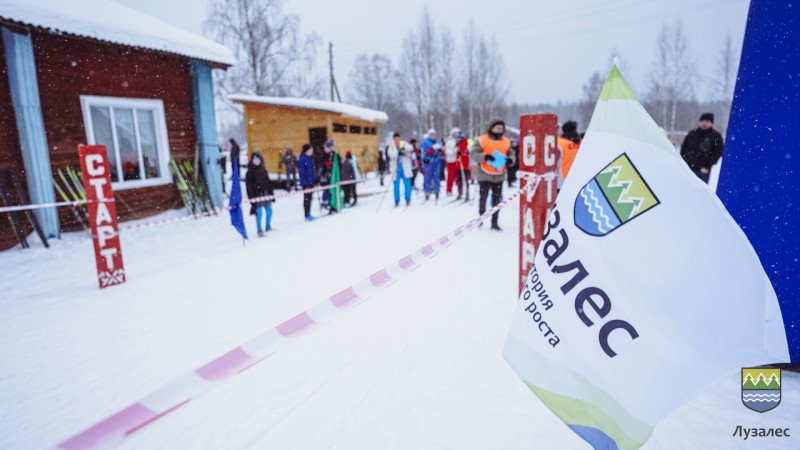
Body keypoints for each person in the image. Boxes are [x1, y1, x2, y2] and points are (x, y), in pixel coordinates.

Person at [470, 119, 515, 231]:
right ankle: (481, 218)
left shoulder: (506, 141)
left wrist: (511, 160)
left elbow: (512, 154)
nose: (500, 130)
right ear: (491, 128)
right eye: (497, 128)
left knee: (497, 200)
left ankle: (494, 222)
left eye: (501, 128)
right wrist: (485, 157)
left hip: (499, 175)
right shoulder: (482, 140)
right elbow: (473, 153)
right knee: (483, 198)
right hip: (484, 174)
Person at [680, 112, 725, 183]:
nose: (704, 123)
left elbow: (718, 153)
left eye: (707, 121)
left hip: (702, 171)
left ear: (711, 123)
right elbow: (683, 148)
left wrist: (707, 166)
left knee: (698, 191)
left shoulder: (716, 136)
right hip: (687, 168)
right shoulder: (692, 133)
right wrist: (683, 161)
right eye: (702, 121)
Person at [245, 152, 275, 237]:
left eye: (258, 159)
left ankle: (268, 226)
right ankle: (259, 229)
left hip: (265, 193)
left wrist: (271, 193)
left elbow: (268, 182)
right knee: (259, 213)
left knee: (269, 211)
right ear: (252, 160)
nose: (256, 161)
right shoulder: (250, 172)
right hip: (256, 195)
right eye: (254, 159)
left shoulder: (263, 169)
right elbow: (249, 186)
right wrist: (251, 198)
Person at [386, 132, 413, 207]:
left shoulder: (403, 143)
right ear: (393, 139)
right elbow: (390, 154)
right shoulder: (391, 146)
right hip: (396, 168)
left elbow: (411, 148)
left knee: (407, 184)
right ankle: (396, 200)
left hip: (405, 167)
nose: (397, 140)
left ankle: (408, 199)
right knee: (396, 185)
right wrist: (397, 153)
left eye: (398, 138)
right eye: (395, 139)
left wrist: (403, 149)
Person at [421, 129, 443, 202]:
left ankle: (437, 192)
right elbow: (425, 152)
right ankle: (427, 192)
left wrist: (440, 150)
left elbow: (441, 152)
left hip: (436, 162)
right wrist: (432, 149)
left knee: (436, 177)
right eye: (432, 135)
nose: (433, 136)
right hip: (429, 163)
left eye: (434, 135)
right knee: (428, 178)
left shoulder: (437, 142)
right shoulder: (425, 142)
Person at [298, 144, 316, 221]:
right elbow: (302, 173)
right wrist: (306, 184)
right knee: (307, 199)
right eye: (310, 150)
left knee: (310, 198)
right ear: (307, 150)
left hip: (311, 182)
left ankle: (309, 213)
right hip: (306, 184)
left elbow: (312, 172)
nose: (312, 152)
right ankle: (306, 215)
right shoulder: (302, 159)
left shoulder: (310, 159)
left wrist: (314, 181)